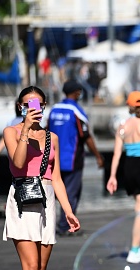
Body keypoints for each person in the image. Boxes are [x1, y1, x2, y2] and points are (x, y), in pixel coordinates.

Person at [2, 86, 80, 270]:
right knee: (31, 266)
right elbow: (19, 163)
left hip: (46, 201)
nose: (32, 109)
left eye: (37, 104)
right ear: (20, 107)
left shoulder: (52, 138)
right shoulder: (10, 132)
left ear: (44, 106)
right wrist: (25, 128)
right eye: (27, 104)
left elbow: (55, 177)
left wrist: (68, 211)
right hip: (23, 200)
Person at [106, 91, 140, 263]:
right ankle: (135, 249)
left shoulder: (122, 127)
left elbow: (116, 155)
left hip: (128, 166)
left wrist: (112, 176)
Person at [47, 79, 104, 236]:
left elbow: (46, 131)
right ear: (77, 92)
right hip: (72, 159)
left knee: (55, 193)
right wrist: (98, 156)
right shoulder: (76, 111)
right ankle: (65, 226)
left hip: (54, 158)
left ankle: (54, 223)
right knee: (71, 193)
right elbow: (86, 136)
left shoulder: (54, 110)